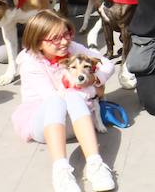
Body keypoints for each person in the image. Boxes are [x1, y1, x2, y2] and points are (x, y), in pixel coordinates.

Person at [11, 10, 116, 192]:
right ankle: (60, 170)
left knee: (72, 95)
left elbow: (107, 64)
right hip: (45, 124)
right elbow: (53, 97)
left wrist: (95, 79)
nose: (64, 41)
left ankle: (95, 164)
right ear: (38, 42)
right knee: (59, 99)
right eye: (55, 38)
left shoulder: (71, 48)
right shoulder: (30, 62)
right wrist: (93, 90)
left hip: (78, 119)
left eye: (66, 34)